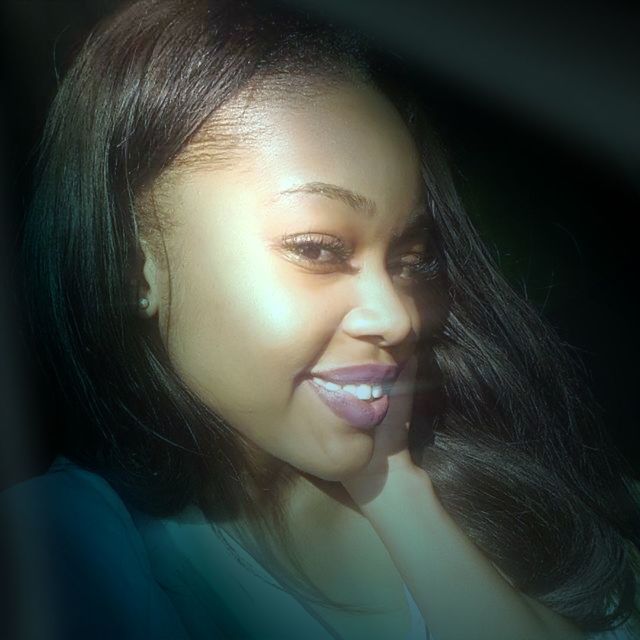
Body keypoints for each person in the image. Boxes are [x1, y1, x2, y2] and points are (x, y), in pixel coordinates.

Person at [2, 0, 639, 638]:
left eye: (410, 260)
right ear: (132, 269)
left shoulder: (485, 479)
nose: (398, 317)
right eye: (316, 249)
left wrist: (396, 489)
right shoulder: (63, 551)